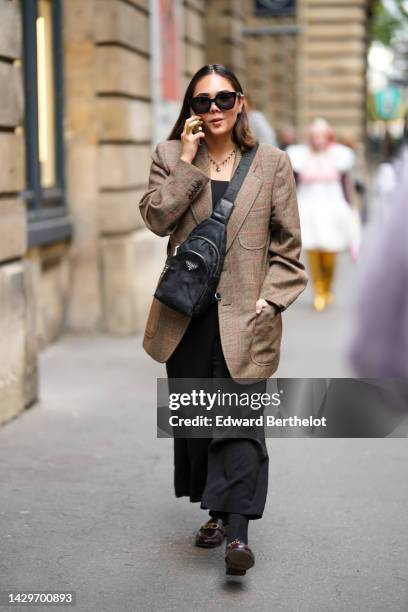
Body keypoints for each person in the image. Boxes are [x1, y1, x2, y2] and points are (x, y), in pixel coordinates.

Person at [139, 63, 308, 577]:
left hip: (246, 315)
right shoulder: (170, 156)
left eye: (223, 99)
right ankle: (215, 513)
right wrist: (188, 164)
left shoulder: (272, 163)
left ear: (241, 102)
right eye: (202, 102)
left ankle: (237, 532)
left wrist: (273, 299)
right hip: (186, 316)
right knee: (199, 423)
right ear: (190, 111)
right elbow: (154, 218)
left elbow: (289, 247)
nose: (214, 110)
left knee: (238, 424)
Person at [286, 118, 358, 311]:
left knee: (330, 252)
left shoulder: (339, 156)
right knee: (312, 251)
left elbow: (346, 184)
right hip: (308, 208)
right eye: (314, 135)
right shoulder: (301, 155)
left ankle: (327, 287)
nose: (318, 139)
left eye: (321, 135)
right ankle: (318, 291)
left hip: (332, 209)